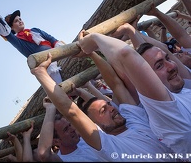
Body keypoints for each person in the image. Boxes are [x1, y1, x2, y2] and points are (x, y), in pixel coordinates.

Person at [30, 51, 175, 161]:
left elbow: (116, 84)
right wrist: (41, 73)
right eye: (103, 111)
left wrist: (91, 53)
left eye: (108, 105)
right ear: (96, 126)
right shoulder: (109, 146)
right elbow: (72, 113)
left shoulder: (134, 119)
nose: (111, 108)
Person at [77, 30, 191, 159]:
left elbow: (120, 80)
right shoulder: (167, 111)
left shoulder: (182, 91)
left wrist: (131, 31)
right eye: (159, 66)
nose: (171, 66)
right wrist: (93, 39)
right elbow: (124, 57)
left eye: (168, 58)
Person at [0, 8, 65, 83]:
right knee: (52, 69)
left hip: (57, 53)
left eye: (20, 19)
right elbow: (6, 32)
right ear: (11, 27)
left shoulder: (35, 30)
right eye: (16, 21)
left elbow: (51, 38)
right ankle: (64, 91)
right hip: (46, 63)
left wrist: (61, 48)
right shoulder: (17, 41)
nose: (20, 21)